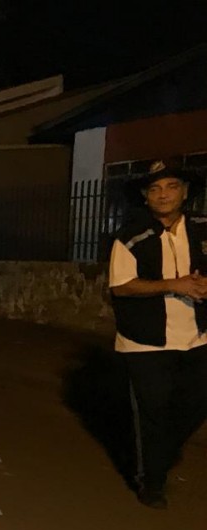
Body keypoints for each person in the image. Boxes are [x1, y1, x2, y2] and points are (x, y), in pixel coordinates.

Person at [108, 159, 207, 509]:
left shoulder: (202, 229)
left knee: (196, 402)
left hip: (198, 337)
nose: (163, 195)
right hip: (146, 341)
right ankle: (152, 482)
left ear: (186, 191)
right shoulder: (130, 237)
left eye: (170, 186)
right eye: (154, 189)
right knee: (152, 413)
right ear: (145, 197)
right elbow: (121, 287)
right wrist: (173, 285)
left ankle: (161, 452)